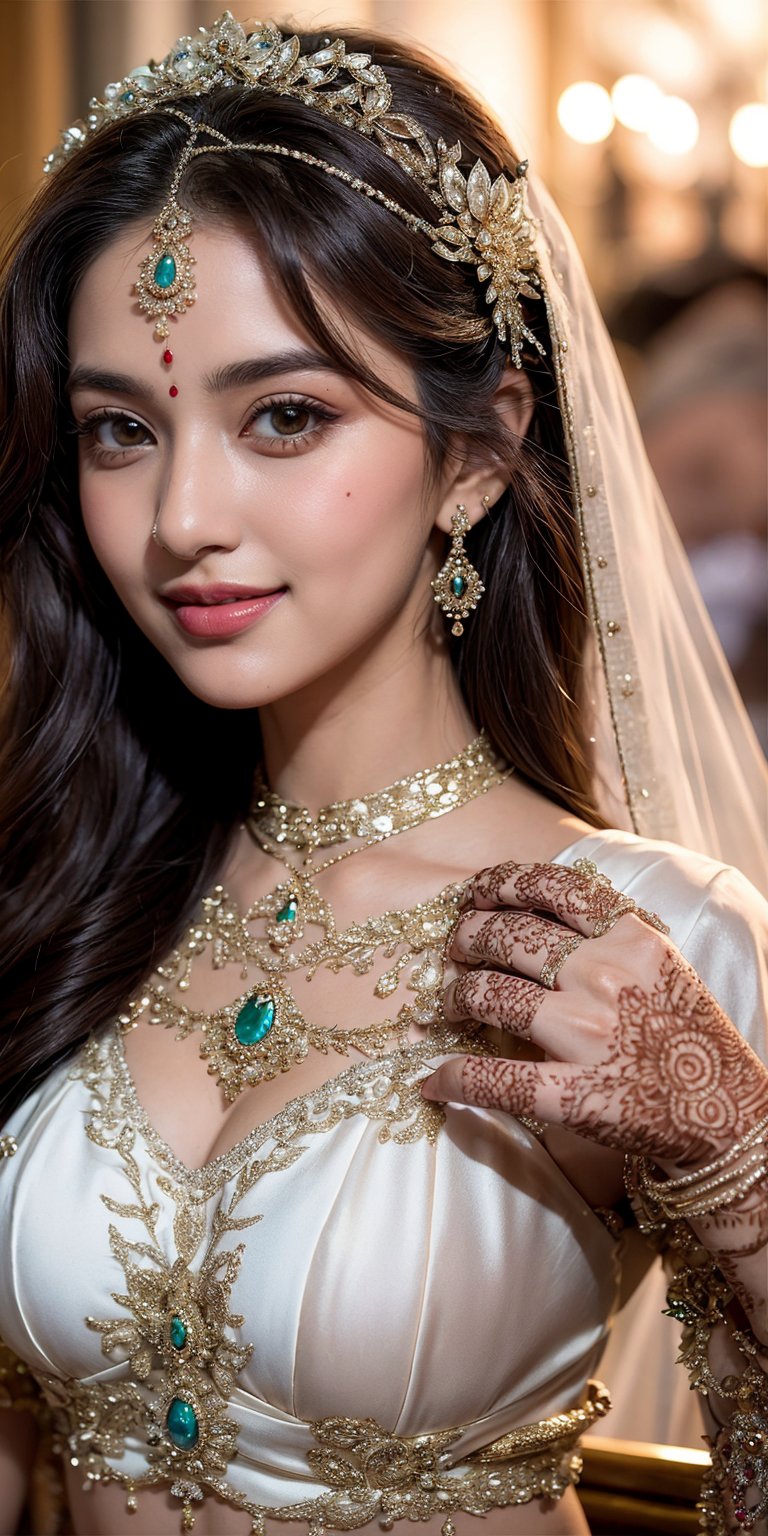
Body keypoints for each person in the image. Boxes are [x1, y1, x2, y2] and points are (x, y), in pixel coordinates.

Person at [0, 14, 766, 1536]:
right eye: (117, 429)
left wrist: (743, 1175)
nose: (183, 517)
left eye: (285, 416)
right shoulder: (67, 875)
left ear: (477, 456)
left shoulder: (639, 936)